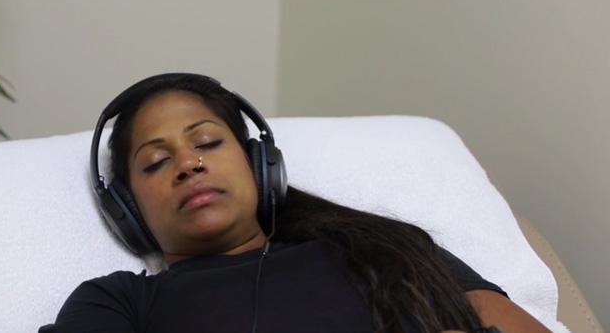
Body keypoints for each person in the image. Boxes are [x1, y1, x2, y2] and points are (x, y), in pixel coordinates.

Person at [40, 73, 550, 333]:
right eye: (155, 162)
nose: (188, 164)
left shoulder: (380, 249)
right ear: (127, 211)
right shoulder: (118, 302)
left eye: (208, 143)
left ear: (259, 165)